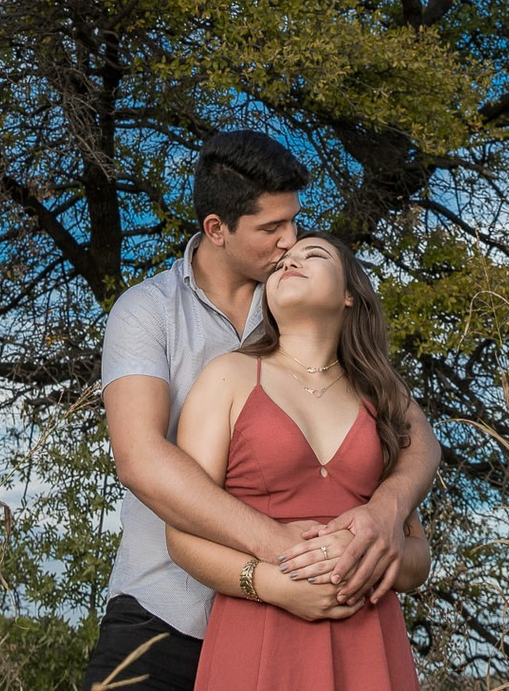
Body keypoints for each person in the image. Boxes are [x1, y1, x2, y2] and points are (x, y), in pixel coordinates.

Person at [82, 132, 440, 691]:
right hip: (166, 610)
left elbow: (417, 438)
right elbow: (141, 460)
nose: (289, 240)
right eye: (271, 229)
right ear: (217, 230)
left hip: (304, 626)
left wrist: (387, 512)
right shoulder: (147, 311)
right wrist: (286, 552)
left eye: (294, 223)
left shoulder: (299, 313)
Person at [162, 233, 428, 690]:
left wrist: (364, 556)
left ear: (349, 294)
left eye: (314, 255)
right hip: (259, 632)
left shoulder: (383, 395)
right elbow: (181, 537)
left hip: (370, 642)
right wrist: (270, 583)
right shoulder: (228, 376)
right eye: (283, 260)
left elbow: (419, 558)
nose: (291, 261)